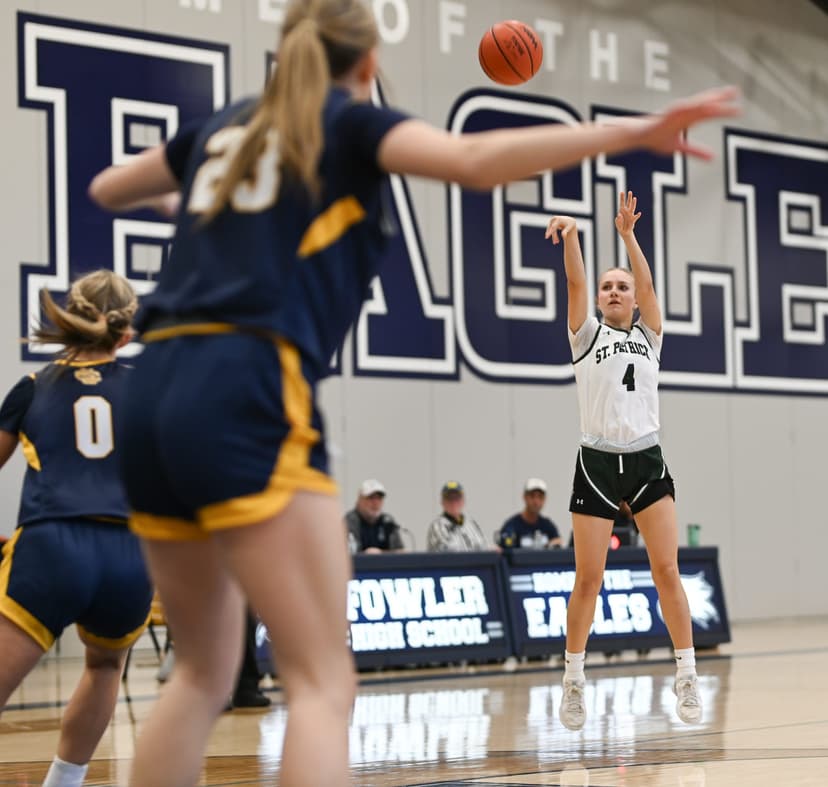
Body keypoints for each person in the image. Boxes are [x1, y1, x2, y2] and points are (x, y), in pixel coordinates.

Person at [86, 0, 737, 779]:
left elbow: (107, 187)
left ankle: (680, 669)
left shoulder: (228, 124)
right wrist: (633, 130)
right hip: (244, 382)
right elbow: (472, 161)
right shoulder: (350, 122)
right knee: (323, 681)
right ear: (367, 64)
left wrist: (205, 212)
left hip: (153, 382)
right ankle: (573, 668)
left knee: (198, 673)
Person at [545, 190, 703, 732]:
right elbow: (576, 284)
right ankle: (572, 680)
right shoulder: (585, 336)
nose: (613, 291)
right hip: (595, 462)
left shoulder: (649, 337)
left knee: (666, 571)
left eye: (622, 287)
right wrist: (573, 235)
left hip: (646, 460)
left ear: (634, 300)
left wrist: (629, 236)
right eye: (608, 286)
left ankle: (686, 674)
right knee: (588, 579)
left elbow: (651, 284)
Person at [0, 271, 152, 787]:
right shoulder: (149, 391)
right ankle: (64, 784)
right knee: (106, 668)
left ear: (67, 319)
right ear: (125, 334)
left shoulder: (32, 387)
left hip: (52, 546)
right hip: (129, 557)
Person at [499, 478, 562, 550]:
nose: (536, 501)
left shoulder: (547, 525)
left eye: (540, 497)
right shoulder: (512, 525)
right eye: (532, 496)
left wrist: (554, 544)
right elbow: (504, 549)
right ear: (524, 497)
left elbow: (558, 541)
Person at [426, 481, 490, 552]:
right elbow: (445, 553)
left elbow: (484, 547)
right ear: (442, 502)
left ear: (463, 501)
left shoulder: (471, 523)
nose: (453, 502)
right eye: (449, 498)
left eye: (457, 498)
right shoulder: (437, 526)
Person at [345, 479, 405, 554]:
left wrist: (380, 554)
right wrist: (366, 555)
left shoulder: (387, 521)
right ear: (359, 500)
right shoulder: (350, 521)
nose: (375, 503)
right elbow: (350, 553)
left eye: (379, 498)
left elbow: (400, 551)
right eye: (371, 498)